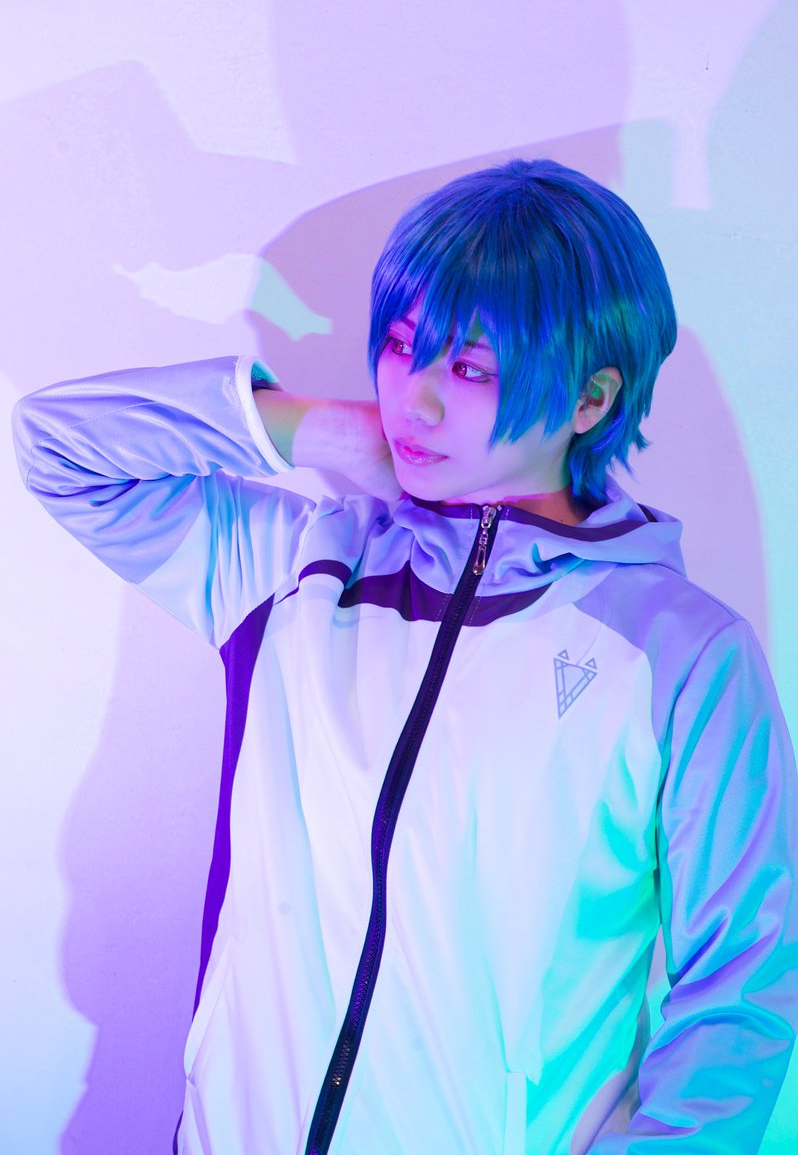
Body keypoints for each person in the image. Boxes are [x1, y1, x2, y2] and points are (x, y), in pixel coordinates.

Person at [13, 159, 798, 1154]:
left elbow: (738, 997)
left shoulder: (684, 658)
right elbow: (57, 448)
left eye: (470, 369)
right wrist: (321, 433)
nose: (413, 401)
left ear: (592, 399)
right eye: (399, 346)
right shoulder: (296, 568)